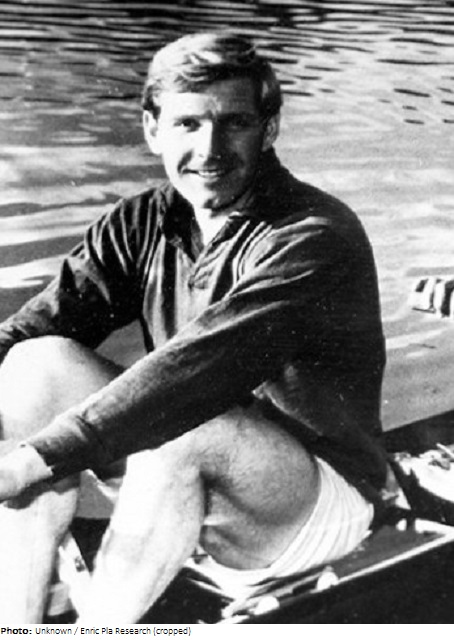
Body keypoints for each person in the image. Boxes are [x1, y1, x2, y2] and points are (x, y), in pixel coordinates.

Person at [0, 31, 389, 623]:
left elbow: (197, 373)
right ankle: (16, 623)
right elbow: (30, 330)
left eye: (234, 124)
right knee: (35, 364)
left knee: (184, 428)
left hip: (315, 502)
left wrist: (29, 461)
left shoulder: (314, 236)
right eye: (188, 124)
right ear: (152, 129)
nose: (210, 149)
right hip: (181, 464)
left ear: (269, 129)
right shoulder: (140, 221)